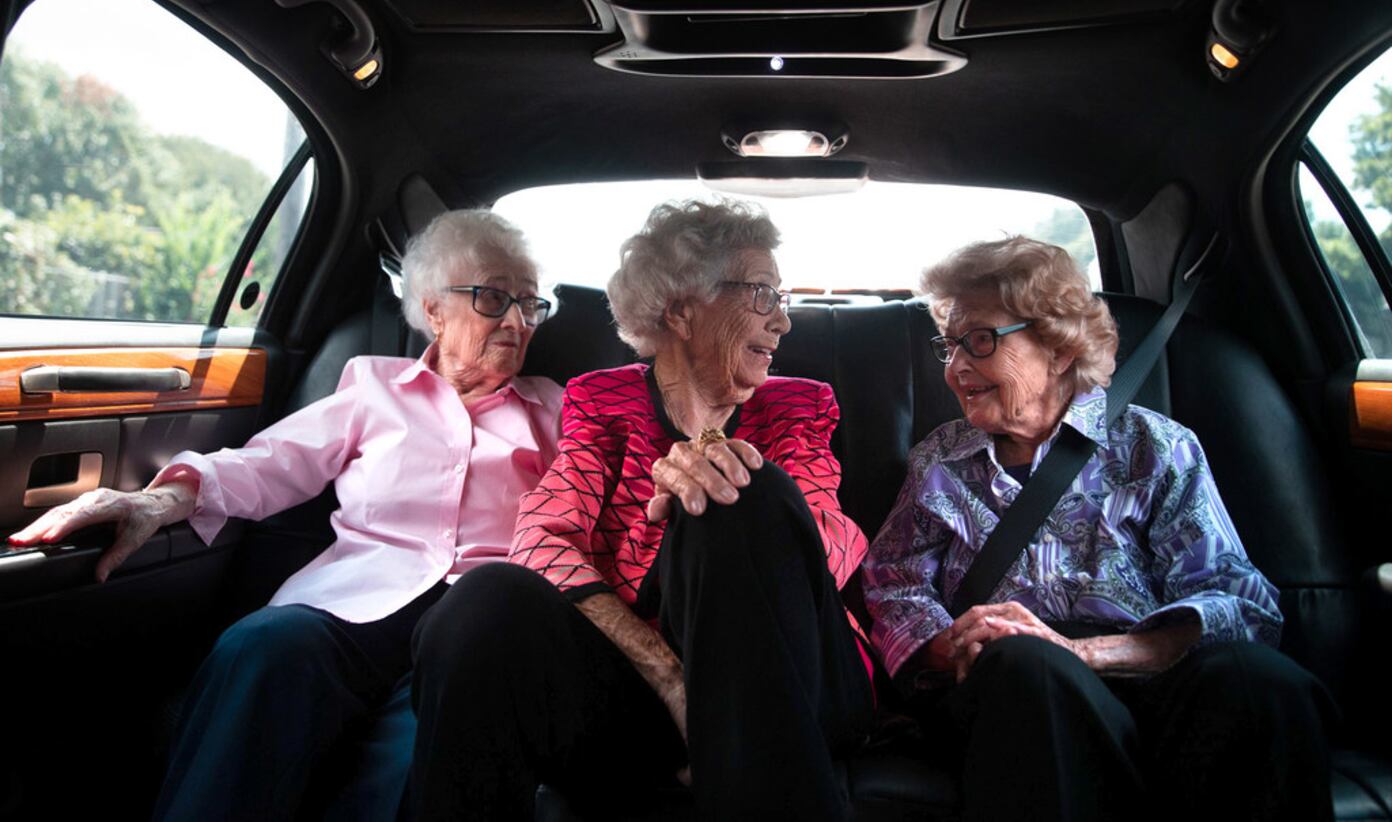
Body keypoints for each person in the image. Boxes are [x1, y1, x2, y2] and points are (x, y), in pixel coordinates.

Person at [7, 209, 563, 822]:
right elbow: (272, 462)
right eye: (493, 298)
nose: (516, 321)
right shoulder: (373, 387)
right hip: (353, 601)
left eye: (530, 304)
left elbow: (604, 509)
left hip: (472, 627)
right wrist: (157, 500)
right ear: (432, 308)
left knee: (429, 745)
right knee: (261, 646)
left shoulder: (557, 410)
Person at [407, 199, 874, 821]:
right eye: (762, 294)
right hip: (647, 691)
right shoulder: (603, 400)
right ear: (682, 309)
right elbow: (542, 539)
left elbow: (832, 540)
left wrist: (720, 474)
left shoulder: (798, 405)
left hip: (798, 673)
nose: (783, 322)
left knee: (735, 490)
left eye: (780, 297)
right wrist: (670, 679)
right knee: (483, 601)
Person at [862, 236, 1335, 822]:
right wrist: (951, 645)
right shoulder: (941, 460)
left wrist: (1089, 653)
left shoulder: (1155, 447)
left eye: (980, 340)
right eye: (950, 346)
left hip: (1146, 670)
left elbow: (1241, 603)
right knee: (1025, 667)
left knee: (1260, 681)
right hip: (1015, 686)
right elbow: (892, 583)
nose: (956, 368)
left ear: (1058, 348)